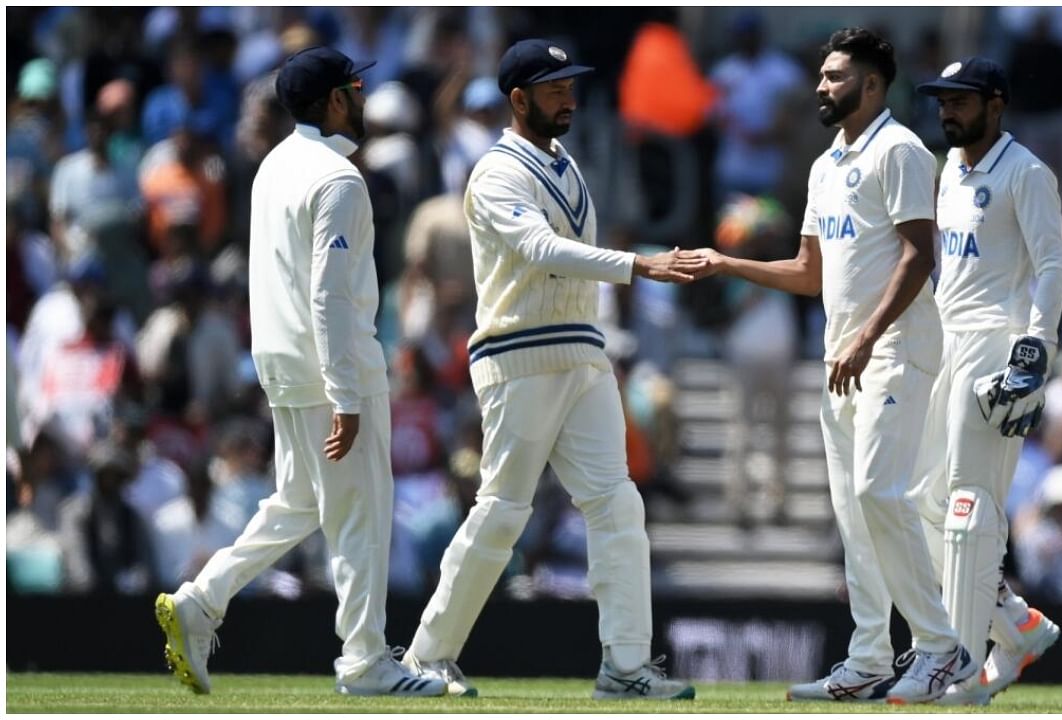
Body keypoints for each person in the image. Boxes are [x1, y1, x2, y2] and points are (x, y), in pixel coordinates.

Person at [398, 38, 700, 701]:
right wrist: (637, 263)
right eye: (554, 87)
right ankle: (426, 656)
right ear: (518, 98)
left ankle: (625, 667)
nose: (569, 96)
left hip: (582, 350)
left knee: (617, 502)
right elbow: (538, 249)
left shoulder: (565, 161)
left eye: (571, 85)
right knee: (504, 511)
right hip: (520, 353)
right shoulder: (497, 171)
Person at [683, 28, 975, 704]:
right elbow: (809, 272)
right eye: (821, 74)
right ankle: (870, 655)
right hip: (842, 354)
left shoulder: (900, 150)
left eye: (836, 76)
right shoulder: (824, 166)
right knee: (851, 511)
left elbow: (919, 255)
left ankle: (938, 646)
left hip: (894, 348)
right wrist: (726, 263)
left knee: (878, 492)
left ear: (873, 85)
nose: (820, 85)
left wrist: (869, 334)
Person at [153, 46, 444, 698]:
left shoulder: (272, 167)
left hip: (282, 364)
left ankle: (203, 600)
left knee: (300, 503)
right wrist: (346, 392)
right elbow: (328, 294)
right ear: (335, 101)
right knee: (361, 513)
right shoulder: (338, 179)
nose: (365, 96)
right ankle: (366, 662)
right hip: (331, 366)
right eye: (357, 87)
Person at [910, 57, 1062, 705]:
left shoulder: (1026, 172)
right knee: (921, 496)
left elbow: (1053, 267)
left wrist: (1036, 349)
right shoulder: (946, 168)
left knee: (970, 504)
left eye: (962, 100)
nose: (948, 110)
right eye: (943, 100)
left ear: (995, 106)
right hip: (944, 339)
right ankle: (1016, 627)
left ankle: (961, 660)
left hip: (995, 344)